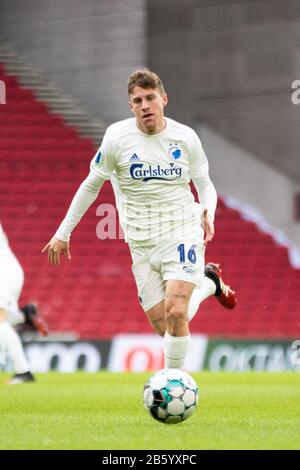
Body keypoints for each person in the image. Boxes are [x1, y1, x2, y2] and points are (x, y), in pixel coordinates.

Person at [42, 69, 236, 370]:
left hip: (182, 230)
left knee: (175, 312)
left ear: (164, 99)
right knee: (164, 325)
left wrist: (207, 211)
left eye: (150, 98)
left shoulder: (185, 138)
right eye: (137, 100)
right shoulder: (117, 138)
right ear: (131, 106)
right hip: (141, 242)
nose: (144, 105)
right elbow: (91, 184)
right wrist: (63, 232)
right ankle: (209, 283)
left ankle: (174, 383)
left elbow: (205, 183)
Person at [0, 223, 48, 384]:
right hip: (7, 271)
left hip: (5, 273)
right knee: (2, 322)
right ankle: (23, 316)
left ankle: (23, 372)